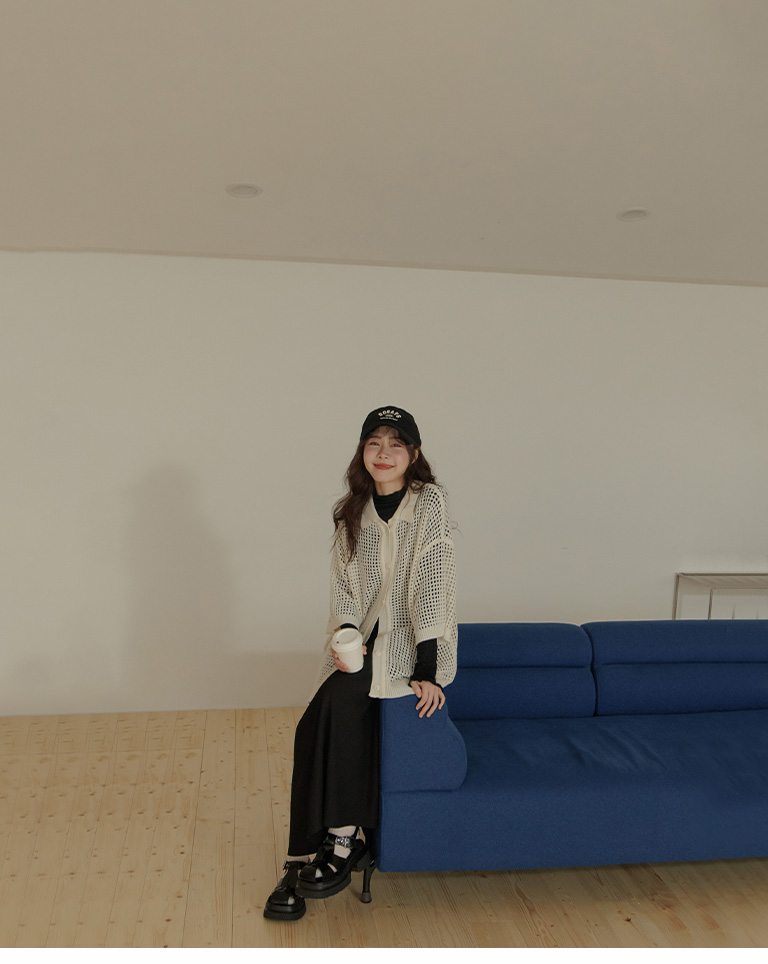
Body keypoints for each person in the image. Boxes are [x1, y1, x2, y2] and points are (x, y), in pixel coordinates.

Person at [264, 406, 457, 921]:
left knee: (346, 709)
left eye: (396, 443)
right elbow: (344, 586)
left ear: (413, 453)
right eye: (374, 443)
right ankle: (308, 847)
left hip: (408, 645)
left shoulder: (428, 502)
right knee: (316, 719)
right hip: (363, 643)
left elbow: (432, 581)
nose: (384, 453)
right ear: (362, 453)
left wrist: (427, 669)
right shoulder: (352, 510)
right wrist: (346, 635)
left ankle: (343, 837)